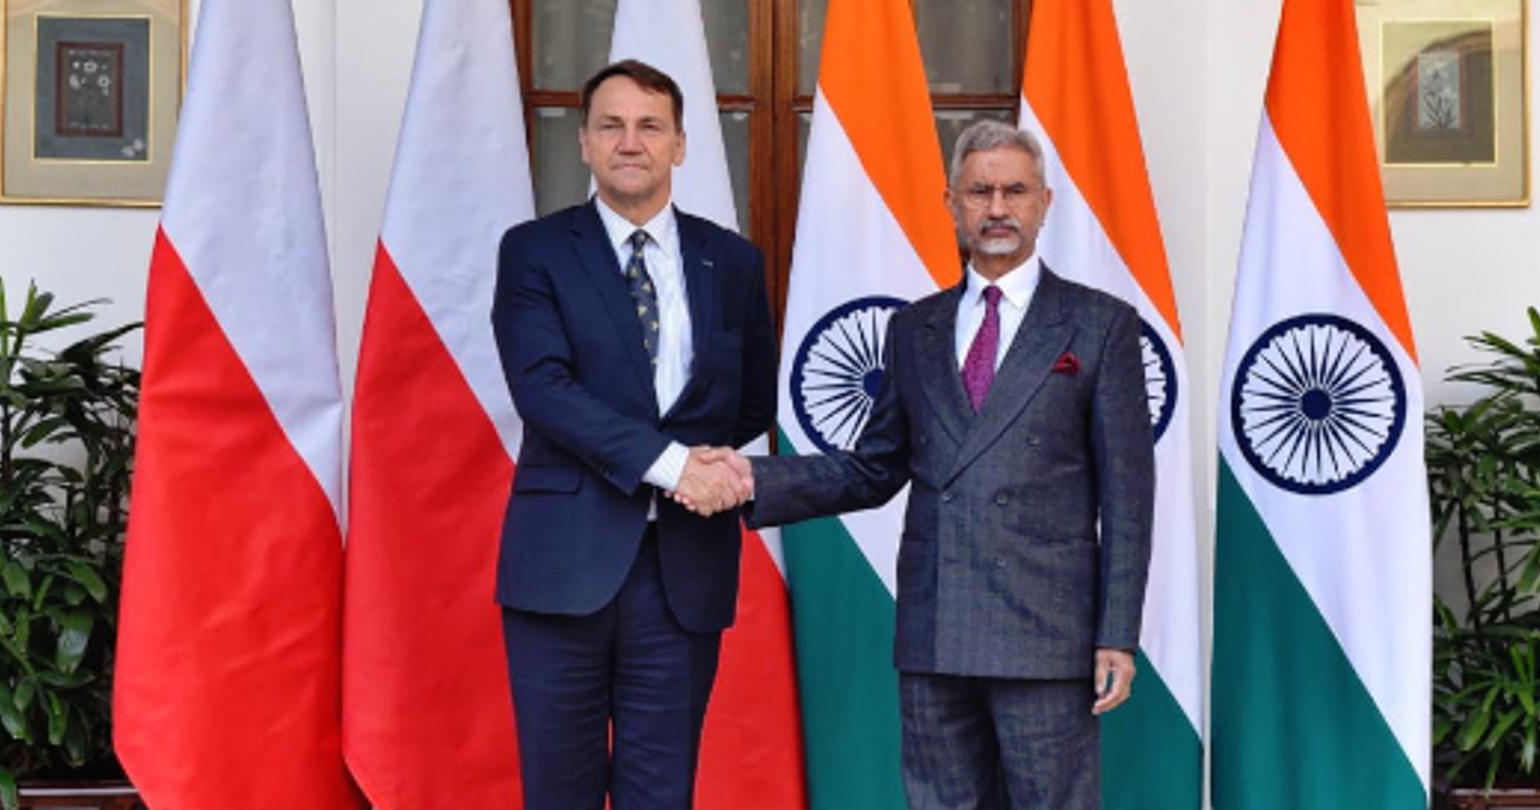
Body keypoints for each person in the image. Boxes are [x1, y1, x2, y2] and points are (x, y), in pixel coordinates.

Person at [699, 120, 1154, 810]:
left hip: (1047, 635)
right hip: (936, 628)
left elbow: (1128, 497)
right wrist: (750, 478)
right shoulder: (915, 327)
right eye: (979, 191)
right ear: (951, 203)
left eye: (1014, 191)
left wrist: (1116, 634)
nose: (997, 207)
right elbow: (875, 468)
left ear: (1044, 202)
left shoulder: (1100, 324)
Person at [488, 59, 775, 810]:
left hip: (682, 570)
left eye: (650, 126)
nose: (630, 142)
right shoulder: (535, 252)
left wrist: (694, 469)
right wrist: (673, 465)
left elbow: (749, 402)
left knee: (663, 793)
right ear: (583, 143)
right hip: (563, 567)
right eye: (610, 126)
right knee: (559, 791)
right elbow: (542, 390)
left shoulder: (734, 261)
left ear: (680, 145)